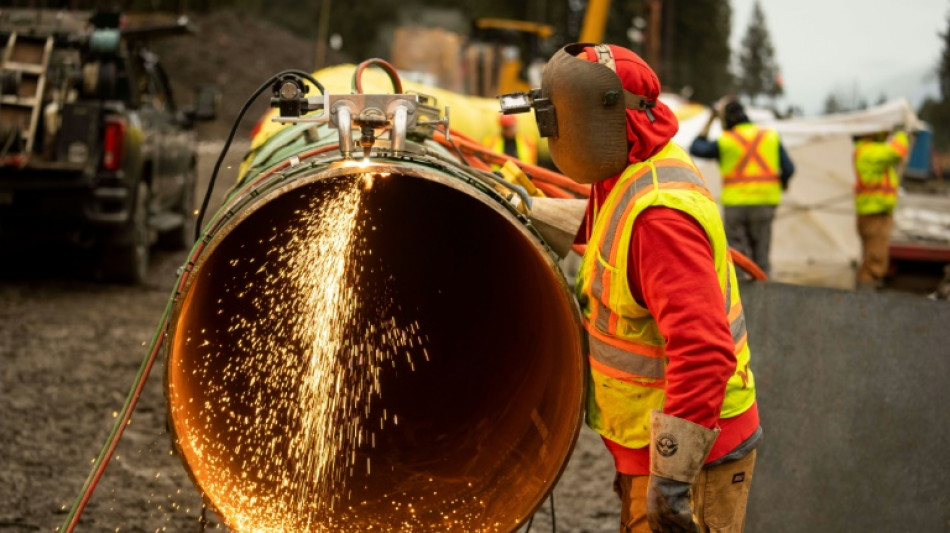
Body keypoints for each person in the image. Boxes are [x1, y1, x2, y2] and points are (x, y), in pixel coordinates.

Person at [528, 43, 762, 532]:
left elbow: (704, 353)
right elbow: (604, 229)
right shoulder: (633, 164)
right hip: (651, 443)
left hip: (695, 454)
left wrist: (673, 477)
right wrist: (520, 208)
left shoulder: (660, 220)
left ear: (601, 118)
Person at [689, 100, 795, 276]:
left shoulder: (725, 141)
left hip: (735, 206)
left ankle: (740, 300)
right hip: (764, 204)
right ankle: (764, 296)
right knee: (761, 258)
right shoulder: (770, 136)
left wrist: (710, 120)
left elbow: (696, 148)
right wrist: (782, 184)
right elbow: (789, 168)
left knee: (737, 259)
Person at [852, 128, 909, 290]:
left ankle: (865, 301)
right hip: (874, 214)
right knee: (874, 263)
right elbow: (897, 151)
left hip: (875, 212)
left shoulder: (866, 150)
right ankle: (866, 304)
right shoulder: (869, 151)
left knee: (872, 259)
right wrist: (902, 132)